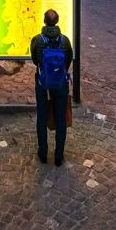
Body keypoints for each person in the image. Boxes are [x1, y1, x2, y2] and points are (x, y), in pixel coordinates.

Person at [29, 9, 73, 165]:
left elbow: (35, 60)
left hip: (42, 84)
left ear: (44, 21)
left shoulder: (37, 40)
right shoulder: (65, 41)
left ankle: (43, 153)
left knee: (42, 117)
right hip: (61, 85)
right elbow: (68, 60)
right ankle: (59, 156)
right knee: (61, 119)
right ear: (58, 21)